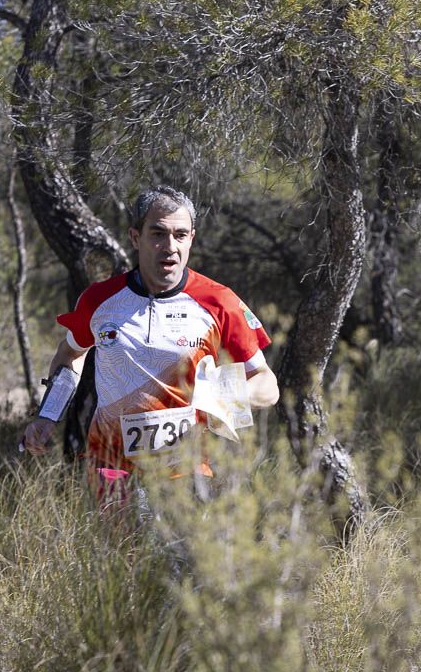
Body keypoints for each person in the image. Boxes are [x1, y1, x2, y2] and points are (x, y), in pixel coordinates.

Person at [20, 185, 279, 512]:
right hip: (110, 462)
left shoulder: (219, 302)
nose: (169, 246)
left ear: (191, 239)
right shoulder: (100, 300)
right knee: (119, 559)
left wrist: (218, 395)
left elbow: (267, 386)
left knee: (177, 561)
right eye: (157, 233)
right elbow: (71, 356)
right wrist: (48, 415)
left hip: (188, 469)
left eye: (180, 235)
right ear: (134, 237)